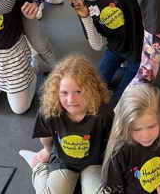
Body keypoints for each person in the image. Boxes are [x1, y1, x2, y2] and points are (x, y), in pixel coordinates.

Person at [19, 54, 114, 194]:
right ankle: (38, 167)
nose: (71, 100)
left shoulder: (103, 114)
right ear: (56, 92)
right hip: (63, 162)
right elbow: (45, 136)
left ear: (91, 90)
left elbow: (112, 143)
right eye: (64, 93)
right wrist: (46, 151)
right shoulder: (49, 111)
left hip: (94, 163)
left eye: (78, 92)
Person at [64, 0, 144, 98]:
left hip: (139, 50)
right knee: (93, 89)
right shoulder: (82, 6)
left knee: (124, 98)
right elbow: (97, 45)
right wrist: (86, 17)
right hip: (115, 49)